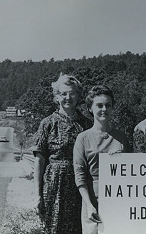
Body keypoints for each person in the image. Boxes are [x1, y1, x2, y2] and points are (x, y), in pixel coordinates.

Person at [33, 74, 92, 234]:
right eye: (63, 93)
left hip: (80, 186)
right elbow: (39, 162)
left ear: (78, 95)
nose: (68, 97)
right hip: (54, 186)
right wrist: (37, 195)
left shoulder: (87, 124)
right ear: (56, 97)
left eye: (72, 93)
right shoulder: (47, 123)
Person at [73, 85, 131, 234]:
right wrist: (89, 205)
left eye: (108, 105)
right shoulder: (83, 138)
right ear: (90, 108)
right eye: (99, 105)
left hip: (118, 201)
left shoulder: (121, 137)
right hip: (92, 202)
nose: (104, 109)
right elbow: (80, 177)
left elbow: (131, 173)